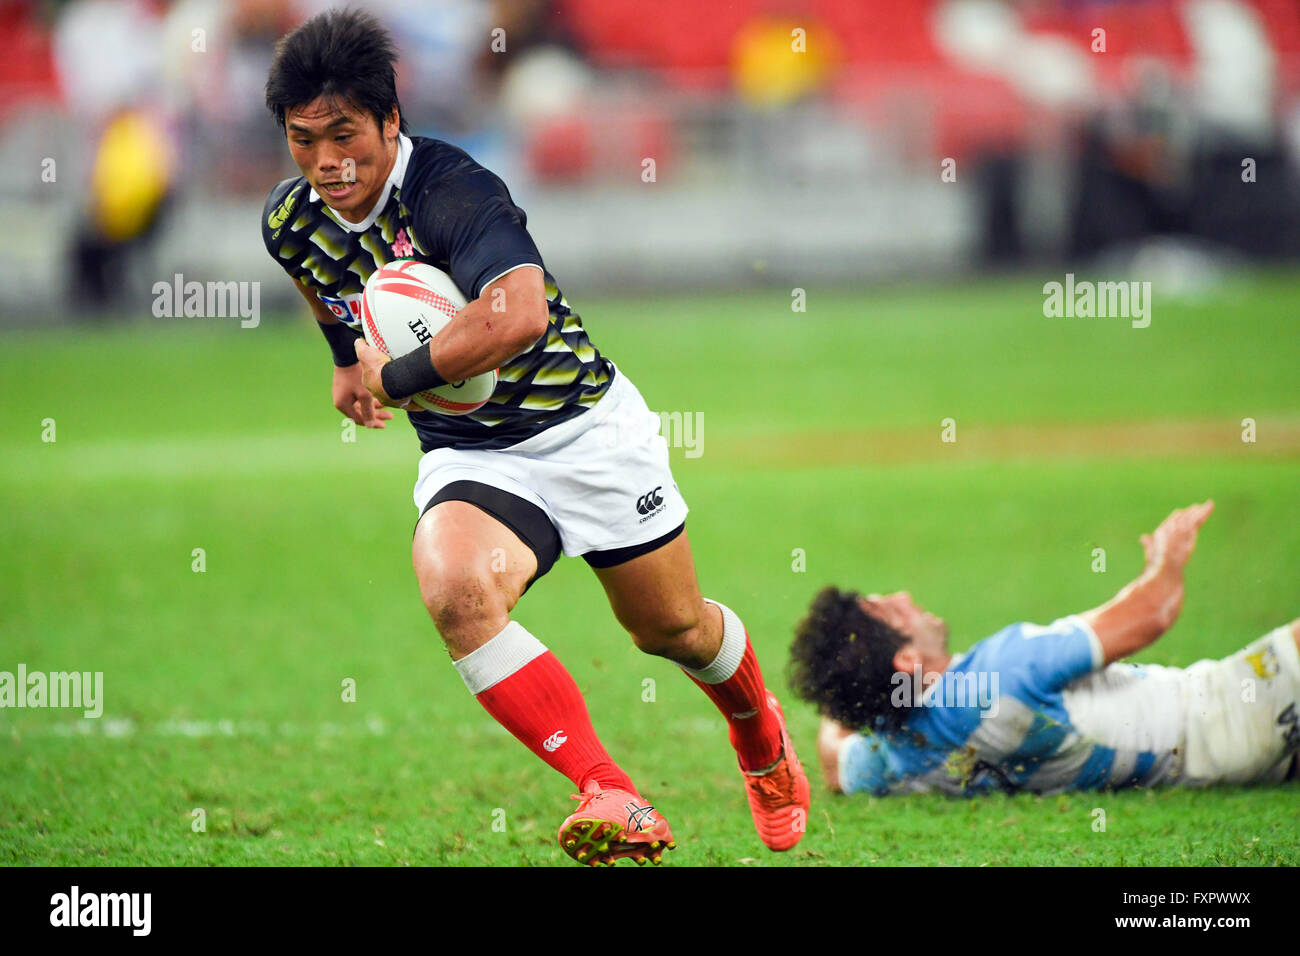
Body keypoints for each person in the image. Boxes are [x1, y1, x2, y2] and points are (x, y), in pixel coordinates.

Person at [260, 8, 808, 866]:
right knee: (453, 588)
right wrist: (343, 363)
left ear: (390, 121)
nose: (328, 161)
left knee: (673, 632)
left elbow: (517, 317)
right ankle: (609, 789)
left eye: (345, 135)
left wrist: (394, 378)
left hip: (586, 432)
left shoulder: (453, 189)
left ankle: (761, 738)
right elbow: (326, 281)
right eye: (303, 140)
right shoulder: (295, 218)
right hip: (473, 454)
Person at [790, 501, 1300, 795]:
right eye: (891, 610)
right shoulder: (1004, 671)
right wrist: (1165, 561)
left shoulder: (890, 760)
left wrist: (858, 695)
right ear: (907, 660)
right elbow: (1151, 615)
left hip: (1233, 764)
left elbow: (832, 757)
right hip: (1231, 711)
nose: (904, 596)